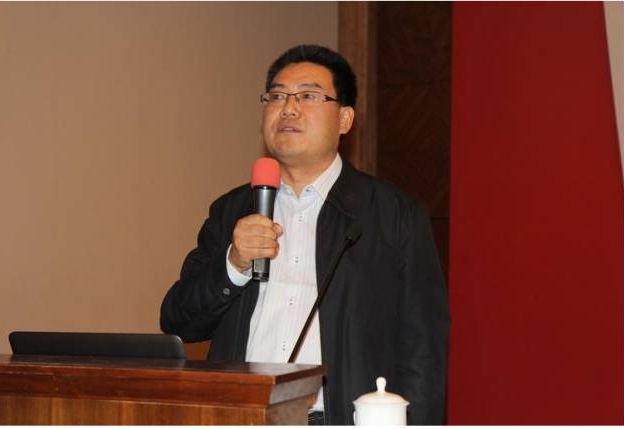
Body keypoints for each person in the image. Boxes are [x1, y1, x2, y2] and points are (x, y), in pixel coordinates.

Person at [160, 44, 450, 425]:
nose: (288, 108)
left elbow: (423, 349)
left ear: (344, 119)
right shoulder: (232, 209)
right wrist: (233, 264)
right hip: (240, 415)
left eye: (309, 96)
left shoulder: (393, 214)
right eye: (277, 96)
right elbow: (178, 319)